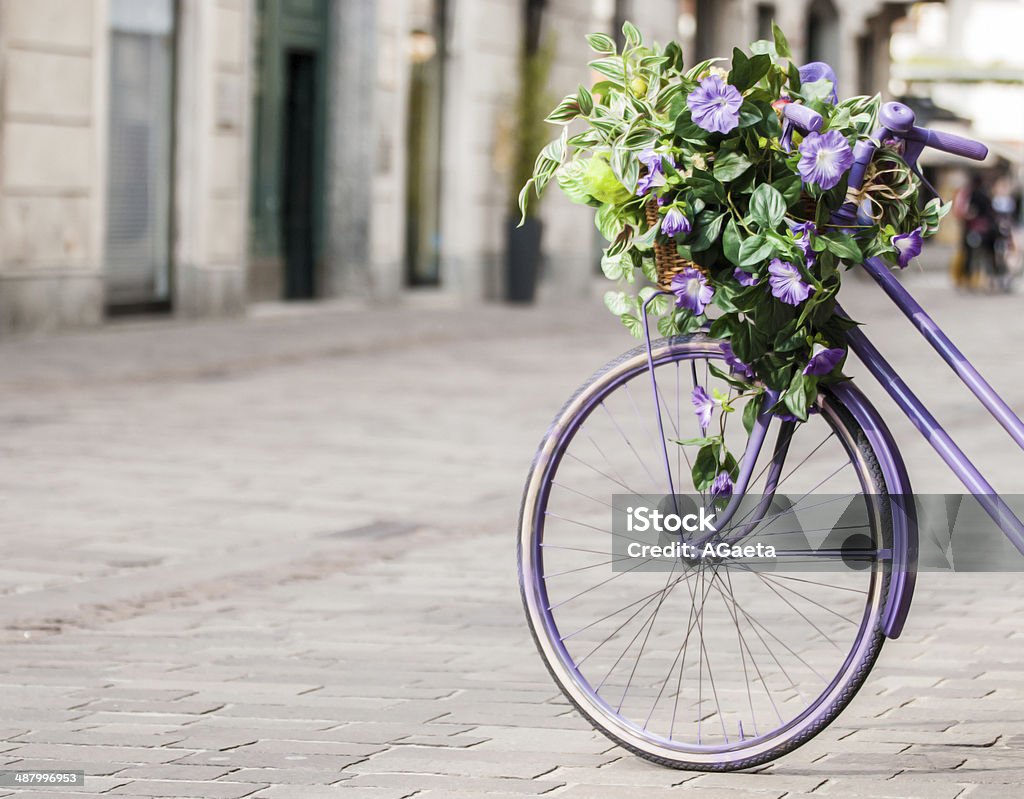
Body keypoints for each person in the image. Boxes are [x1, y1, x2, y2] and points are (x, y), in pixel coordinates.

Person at [953, 173, 998, 290]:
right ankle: (989, 280)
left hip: (972, 230)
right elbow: (992, 213)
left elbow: (966, 212)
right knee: (988, 256)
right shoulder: (987, 194)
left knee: (970, 255)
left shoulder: (971, 193)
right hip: (988, 231)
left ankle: (969, 280)